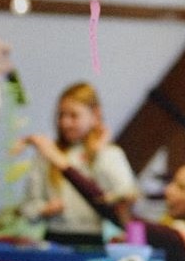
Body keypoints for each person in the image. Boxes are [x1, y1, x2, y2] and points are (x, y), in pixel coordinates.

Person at [26, 133, 185, 261]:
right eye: (173, 182)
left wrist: (64, 165)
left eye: (182, 188)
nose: (169, 190)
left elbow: (113, 212)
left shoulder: (180, 237)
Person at [20, 82, 139, 248]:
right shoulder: (47, 154)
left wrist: (99, 153)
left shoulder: (109, 154)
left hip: (92, 242)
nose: (65, 123)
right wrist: (45, 209)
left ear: (95, 115)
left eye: (74, 116)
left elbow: (125, 196)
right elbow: (28, 208)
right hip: (53, 240)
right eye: (61, 115)